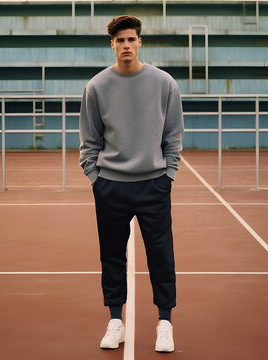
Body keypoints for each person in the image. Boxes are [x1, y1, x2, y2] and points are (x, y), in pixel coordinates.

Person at [79, 15, 184, 353]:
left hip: (154, 184)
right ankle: (115, 321)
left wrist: (168, 174)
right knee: (111, 256)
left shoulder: (164, 82)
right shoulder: (96, 86)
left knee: (161, 255)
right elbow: (89, 139)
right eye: (119, 40)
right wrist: (95, 178)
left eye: (131, 39)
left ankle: (164, 323)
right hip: (111, 185)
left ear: (140, 42)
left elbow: (173, 134)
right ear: (112, 44)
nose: (126, 45)